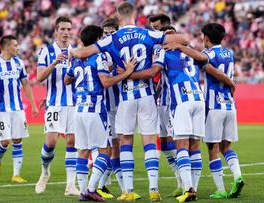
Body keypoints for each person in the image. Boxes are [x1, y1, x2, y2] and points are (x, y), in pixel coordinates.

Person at [70, 2, 189, 201]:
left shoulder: (112, 38)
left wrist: (70, 52)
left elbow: (81, 53)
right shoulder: (149, 34)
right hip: (147, 95)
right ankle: (153, 189)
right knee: (150, 141)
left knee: (125, 142)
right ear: (135, 14)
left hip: (125, 96)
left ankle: (128, 191)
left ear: (118, 17)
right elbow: (184, 38)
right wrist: (173, 43)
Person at [128, 25, 234, 202]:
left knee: (181, 145)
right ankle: (193, 188)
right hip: (198, 99)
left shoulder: (164, 51)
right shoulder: (192, 51)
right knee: (194, 146)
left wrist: (129, 74)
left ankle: (188, 188)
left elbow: (154, 71)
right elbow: (205, 62)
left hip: (181, 100)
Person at [64, 25, 136, 202]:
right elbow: (105, 82)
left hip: (78, 110)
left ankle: (82, 192)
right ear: (98, 40)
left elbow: (67, 80)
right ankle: (90, 188)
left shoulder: (76, 59)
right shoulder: (99, 56)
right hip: (95, 110)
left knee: (83, 151)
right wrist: (126, 73)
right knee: (105, 150)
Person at [0, 35, 39, 183]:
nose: (18, 47)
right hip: (1, 110)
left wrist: (33, 105)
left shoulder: (19, 63)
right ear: (6, 47)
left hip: (18, 108)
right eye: (15, 45)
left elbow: (26, 84)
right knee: (5, 141)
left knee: (18, 140)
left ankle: (16, 174)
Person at [35, 16, 79, 196]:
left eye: (69, 29)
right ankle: (45, 172)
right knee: (51, 142)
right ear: (56, 31)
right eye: (63, 29)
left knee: (72, 141)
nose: (66, 33)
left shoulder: (76, 52)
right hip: (54, 103)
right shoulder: (46, 52)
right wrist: (54, 63)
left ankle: (70, 185)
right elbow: (39, 77)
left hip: (74, 103)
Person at [201, 23, 244, 199]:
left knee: (212, 147)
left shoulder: (206, 54)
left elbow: (213, 71)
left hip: (214, 106)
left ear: (207, 38)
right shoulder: (229, 53)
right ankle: (238, 176)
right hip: (229, 105)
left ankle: (220, 189)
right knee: (226, 146)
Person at [149, 14, 183, 197]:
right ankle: (180, 179)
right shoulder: (158, 51)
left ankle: (186, 183)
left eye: (156, 27)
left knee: (178, 141)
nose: (153, 30)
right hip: (160, 102)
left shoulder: (177, 52)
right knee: (163, 142)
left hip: (174, 103)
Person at [94, 17, 126, 200]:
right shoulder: (100, 55)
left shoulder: (122, 52)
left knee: (117, 147)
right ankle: (104, 186)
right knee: (113, 147)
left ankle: (102, 185)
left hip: (121, 106)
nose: (108, 35)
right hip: (106, 108)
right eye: (105, 33)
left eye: (111, 32)